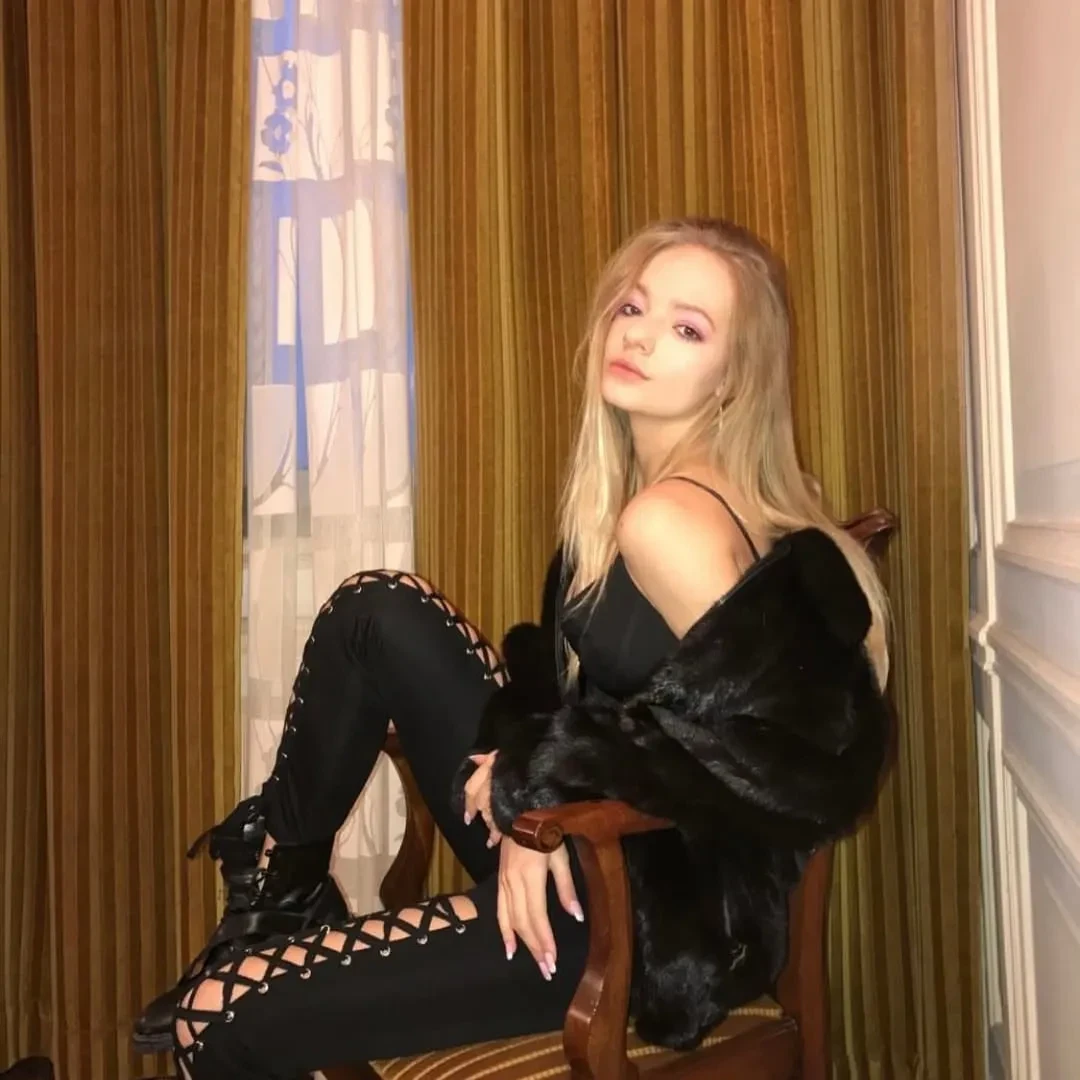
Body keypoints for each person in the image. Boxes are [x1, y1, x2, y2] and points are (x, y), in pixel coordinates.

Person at [135, 217, 892, 1079]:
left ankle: (278, 903)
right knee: (376, 614)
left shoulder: (667, 523)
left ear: (733, 377)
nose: (640, 336)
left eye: (687, 328)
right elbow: (610, 699)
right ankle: (282, 889)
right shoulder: (636, 503)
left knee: (214, 1017)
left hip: (638, 918)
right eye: (633, 308)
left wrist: (543, 782)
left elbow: (804, 759)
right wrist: (528, 770)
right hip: (583, 848)